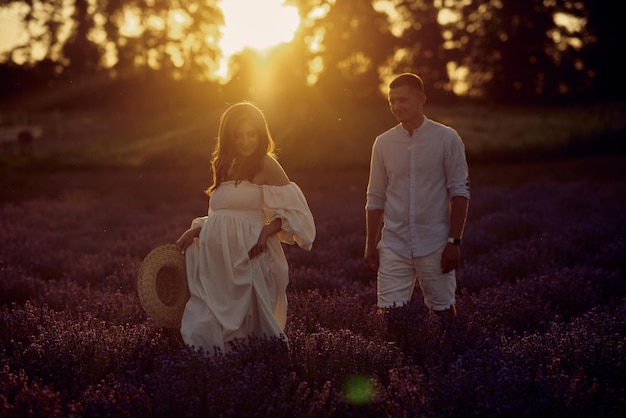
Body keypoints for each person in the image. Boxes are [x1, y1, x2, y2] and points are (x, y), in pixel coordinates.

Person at [175, 101, 316, 355]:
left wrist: (265, 232)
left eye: (251, 134)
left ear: (261, 134)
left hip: (250, 251)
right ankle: (216, 373)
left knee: (250, 318)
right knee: (207, 315)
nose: (245, 141)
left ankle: (257, 372)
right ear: (228, 137)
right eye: (238, 135)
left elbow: (295, 211)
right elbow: (223, 214)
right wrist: (197, 229)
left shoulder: (266, 164)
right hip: (217, 258)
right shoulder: (223, 164)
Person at [364, 73, 470, 324]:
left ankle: (451, 360)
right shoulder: (383, 143)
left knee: (444, 313)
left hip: (435, 243)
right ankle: (400, 363)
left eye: (403, 100)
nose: (396, 107)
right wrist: (370, 243)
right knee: (389, 316)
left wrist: (454, 242)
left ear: (421, 99)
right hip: (394, 244)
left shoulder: (447, 138)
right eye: (392, 101)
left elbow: (460, 193)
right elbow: (375, 196)